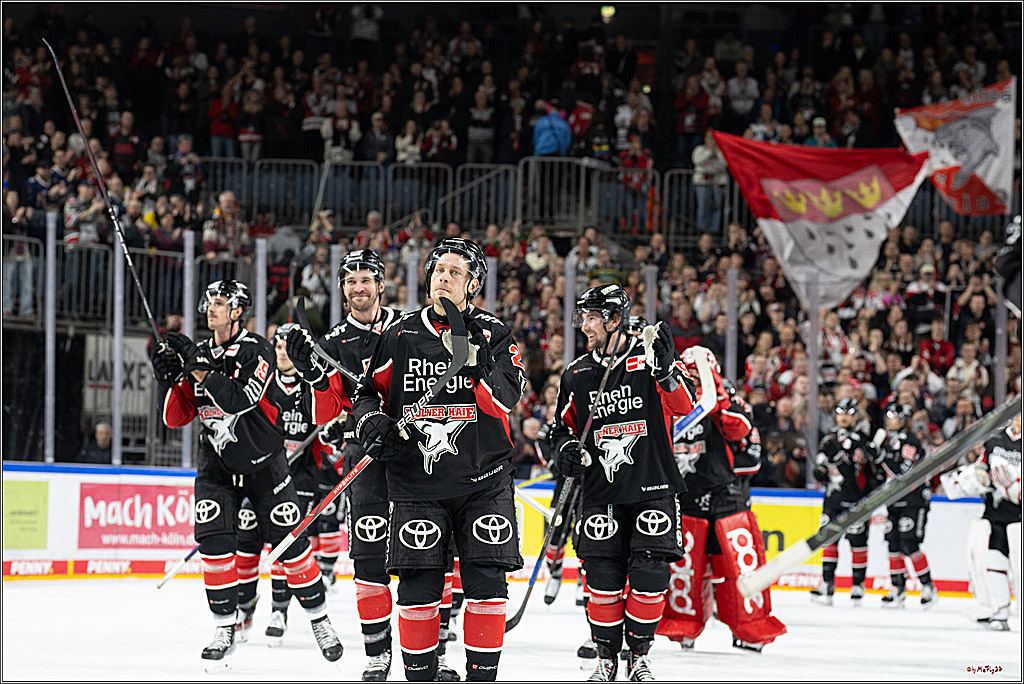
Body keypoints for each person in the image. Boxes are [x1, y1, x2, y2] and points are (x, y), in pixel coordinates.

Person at [350, 238, 527, 681]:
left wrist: (477, 364)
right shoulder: (402, 332)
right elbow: (368, 393)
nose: (443, 277)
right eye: (438, 270)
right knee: (418, 590)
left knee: (487, 584)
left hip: (483, 482)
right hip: (417, 484)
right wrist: (371, 422)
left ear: (473, 284)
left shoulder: (494, 333)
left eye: (455, 272)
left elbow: (505, 401)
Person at [148, 279, 342, 668]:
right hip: (216, 467)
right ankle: (225, 626)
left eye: (220, 302)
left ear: (238, 310)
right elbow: (176, 416)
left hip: (264, 465)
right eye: (210, 302)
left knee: (291, 546)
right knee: (214, 542)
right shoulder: (199, 352)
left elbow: (241, 399)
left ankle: (319, 619)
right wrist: (168, 381)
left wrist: (199, 371)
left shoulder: (258, 348)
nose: (212, 308)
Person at [549, 284, 695, 681]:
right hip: (601, 493)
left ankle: (640, 656)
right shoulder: (577, 372)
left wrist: (665, 370)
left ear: (615, 320)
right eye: (583, 317)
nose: (585, 326)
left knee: (649, 577)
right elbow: (561, 429)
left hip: (653, 486)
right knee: (602, 580)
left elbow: (684, 405)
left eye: (593, 317)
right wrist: (563, 451)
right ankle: (606, 659)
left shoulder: (650, 359)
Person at [286, 249, 413, 681]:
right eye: (351, 280)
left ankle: (434, 647)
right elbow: (324, 414)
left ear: (381, 284)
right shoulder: (333, 343)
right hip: (366, 464)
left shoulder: (410, 328)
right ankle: (377, 652)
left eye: (366, 279)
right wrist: (316, 376)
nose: (358, 287)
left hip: (418, 457)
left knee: (428, 555)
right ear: (342, 289)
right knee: (369, 557)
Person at [658, 347, 786, 653]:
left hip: (727, 499)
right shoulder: (669, 398)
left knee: (741, 566)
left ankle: (750, 627)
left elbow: (748, 448)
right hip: (686, 499)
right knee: (685, 570)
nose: (692, 378)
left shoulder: (728, 399)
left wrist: (716, 396)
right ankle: (684, 626)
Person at [232, 323, 339, 648]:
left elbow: (329, 435)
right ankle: (243, 605)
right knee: (247, 538)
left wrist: (327, 436)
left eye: (287, 347)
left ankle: (279, 611)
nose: (282, 352)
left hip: (302, 479)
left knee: (286, 541)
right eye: (277, 346)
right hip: (264, 474)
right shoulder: (262, 387)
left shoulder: (310, 388)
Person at [809, 398, 881, 605]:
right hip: (833, 498)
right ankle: (827, 583)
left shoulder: (862, 440)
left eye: (849, 413)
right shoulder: (829, 437)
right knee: (828, 540)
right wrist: (820, 471)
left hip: (856, 499)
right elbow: (821, 470)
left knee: (858, 543)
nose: (844, 417)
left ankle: (858, 584)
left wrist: (839, 456)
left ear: (856, 415)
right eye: (841, 412)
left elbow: (856, 473)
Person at [877, 404, 938, 609]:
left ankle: (927, 585)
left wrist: (880, 457)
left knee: (909, 544)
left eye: (894, 416)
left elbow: (902, 471)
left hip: (914, 500)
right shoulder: (889, 441)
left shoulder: (909, 441)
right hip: (894, 500)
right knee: (893, 544)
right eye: (888, 415)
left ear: (903, 419)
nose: (889, 419)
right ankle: (898, 587)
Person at [965, 413, 1021, 630]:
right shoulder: (995, 440)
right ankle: (1000, 611)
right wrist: (976, 479)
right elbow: (982, 469)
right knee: (994, 560)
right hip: (996, 512)